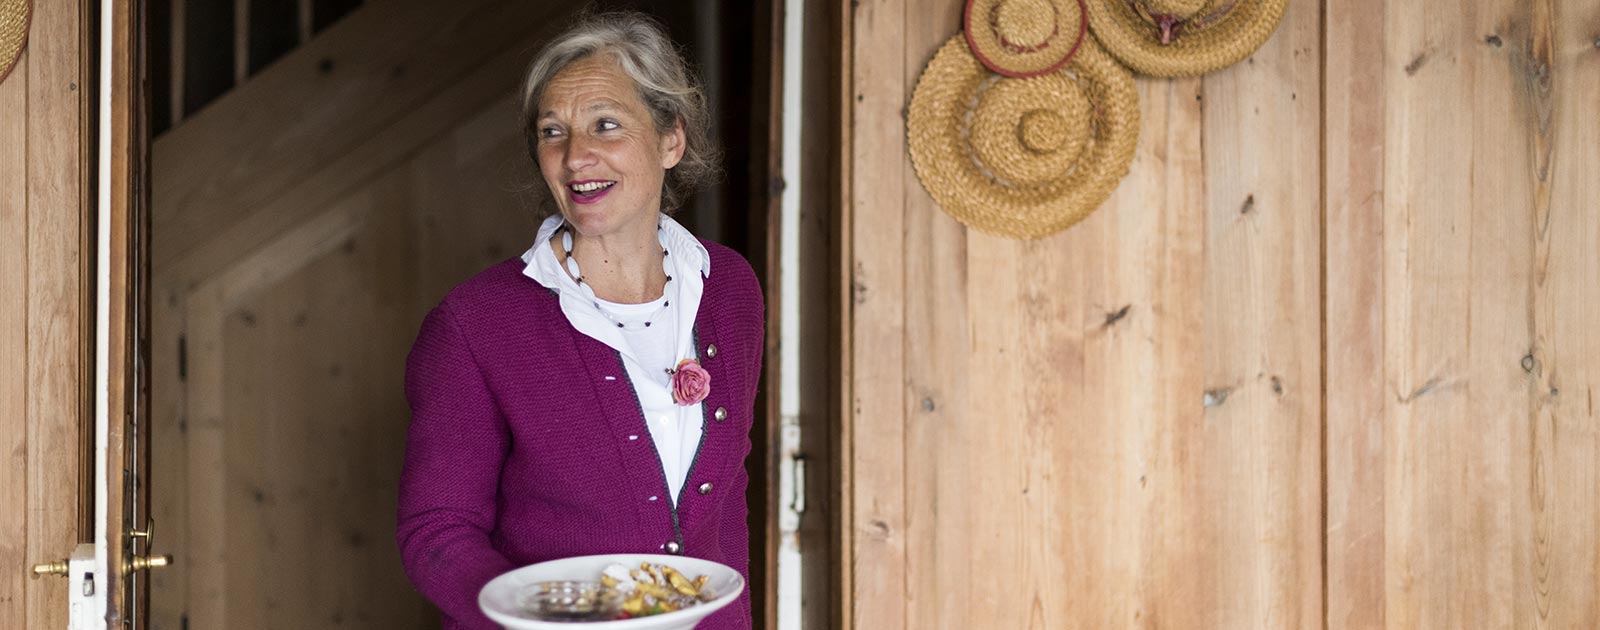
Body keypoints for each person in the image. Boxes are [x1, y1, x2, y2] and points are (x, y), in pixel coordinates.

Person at [396, 12, 761, 630]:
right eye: (552, 131)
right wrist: (539, 620)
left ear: (671, 139)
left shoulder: (729, 289)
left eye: (606, 124)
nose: (576, 156)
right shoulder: (475, 324)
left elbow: (725, 501)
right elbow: (437, 533)